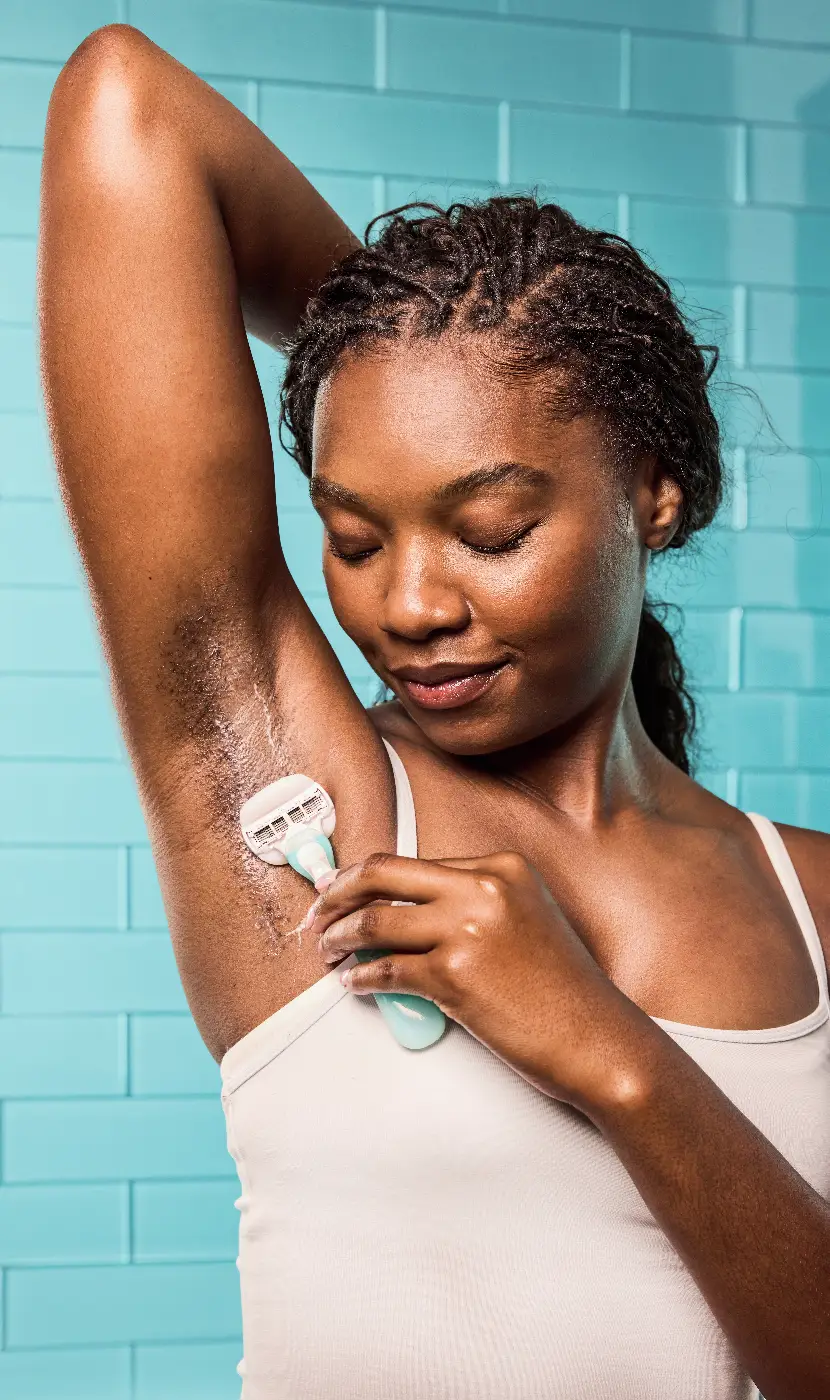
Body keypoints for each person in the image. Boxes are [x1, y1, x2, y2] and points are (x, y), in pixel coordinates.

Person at [38, 25, 829, 1400]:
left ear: (653, 492)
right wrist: (405, 342)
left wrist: (611, 1056)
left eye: (489, 524)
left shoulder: (813, 904)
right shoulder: (291, 795)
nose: (407, 605)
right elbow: (126, 103)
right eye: (353, 536)